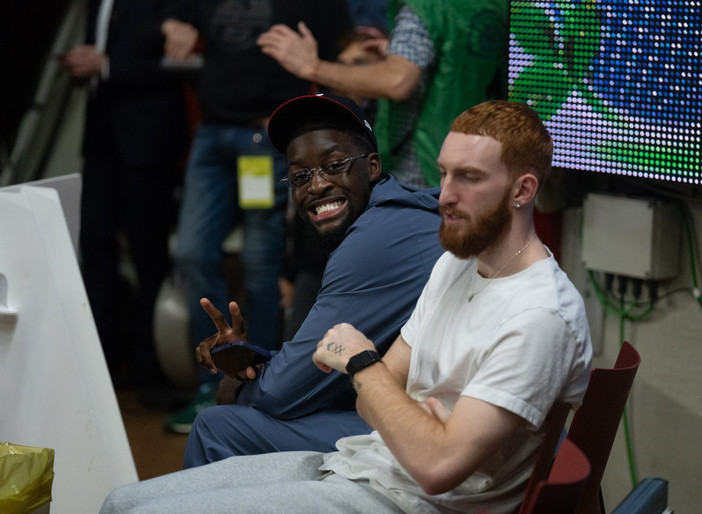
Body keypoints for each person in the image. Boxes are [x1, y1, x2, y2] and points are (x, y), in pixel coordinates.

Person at [94, 100, 592, 514]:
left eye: (469, 178)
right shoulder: (458, 268)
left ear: (523, 191)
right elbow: (376, 397)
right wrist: (395, 399)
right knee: (120, 504)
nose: (445, 196)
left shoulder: (540, 316)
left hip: (412, 507)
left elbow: (437, 464)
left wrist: (362, 366)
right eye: (443, 174)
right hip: (372, 466)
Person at [181, 93, 444, 466]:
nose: (316, 186)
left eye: (334, 165)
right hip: (422, 407)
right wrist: (252, 362)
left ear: (371, 167)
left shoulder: (376, 239)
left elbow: (283, 392)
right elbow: (322, 364)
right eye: (300, 176)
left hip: (435, 434)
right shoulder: (395, 215)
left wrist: (237, 384)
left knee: (216, 425)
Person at [159, 0, 355, 432]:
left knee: (260, 263)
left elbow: (341, 47)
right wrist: (175, 21)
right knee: (191, 253)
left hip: (263, 134)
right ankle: (213, 383)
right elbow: (175, 17)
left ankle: (259, 383)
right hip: (211, 130)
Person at [60, 0, 189, 387]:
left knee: (148, 253)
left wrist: (106, 66)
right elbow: (101, 55)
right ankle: (98, 362)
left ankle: (150, 366)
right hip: (101, 141)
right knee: (95, 247)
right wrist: (84, 64)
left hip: (147, 142)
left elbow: (178, 69)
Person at [257, 0, 508, 188]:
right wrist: (405, 54)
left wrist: (312, 67)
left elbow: (397, 80)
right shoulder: (495, 5)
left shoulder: (424, 8)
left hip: (426, 167)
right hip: (483, 155)